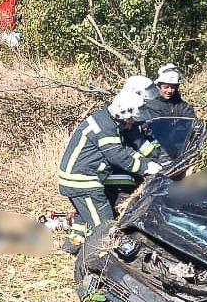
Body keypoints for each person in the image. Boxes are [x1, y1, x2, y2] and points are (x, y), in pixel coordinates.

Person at [58, 90, 162, 253]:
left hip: (78, 178)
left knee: (84, 215)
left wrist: (147, 162)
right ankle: (100, 260)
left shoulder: (106, 119)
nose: (131, 124)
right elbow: (118, 156)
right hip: (83, 181)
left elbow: (124, 149)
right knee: (105, 226)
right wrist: (146, 168)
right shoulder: (105, 127)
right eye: (130, 120)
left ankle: (72, 247)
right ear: (122, 114)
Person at [103, 75, 164, 208]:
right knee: (135, 184)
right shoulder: (125, 117)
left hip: (125, 164)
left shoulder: (132, 112)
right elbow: (139, 145)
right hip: (114, 172)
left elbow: (149, 137)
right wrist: (157, 160)